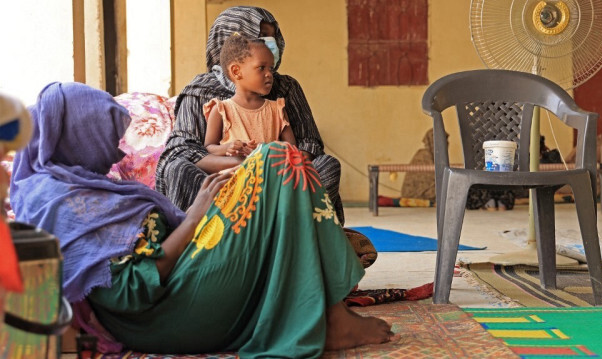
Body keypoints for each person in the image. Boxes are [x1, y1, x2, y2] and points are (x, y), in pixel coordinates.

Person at [9, 82, 392, 357]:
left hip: (181, 282)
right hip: (166, 314)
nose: (117, 149)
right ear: (77, 137)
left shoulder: (74, 186)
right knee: (278, 159)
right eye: (107, 136)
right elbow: (129, 293)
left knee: (274, 164)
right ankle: (332, 313)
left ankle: (327, 304)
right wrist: (195, 217)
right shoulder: (64, 202)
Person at [156, 6, 346, 225]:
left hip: (280, 180)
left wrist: (273, 166)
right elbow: (182, 150)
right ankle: (207, 243)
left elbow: (309, 143)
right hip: (224, 183)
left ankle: (294, 238)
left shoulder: (286, 88)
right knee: (177, 169)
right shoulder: (200, 90)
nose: (270, 44)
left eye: (272, 37)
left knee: (327, 165)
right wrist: (240, 164)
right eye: (262, 37)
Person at [203, 33, 295, 161]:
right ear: (236, 71)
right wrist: (227, 148)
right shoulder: (221, 110)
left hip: (270, 176)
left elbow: (292, 149)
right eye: (261, 68)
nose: (269, 74)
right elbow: (208, 147)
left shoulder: (277, 110)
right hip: (236, 177)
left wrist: (265, 149)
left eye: (271, 68)